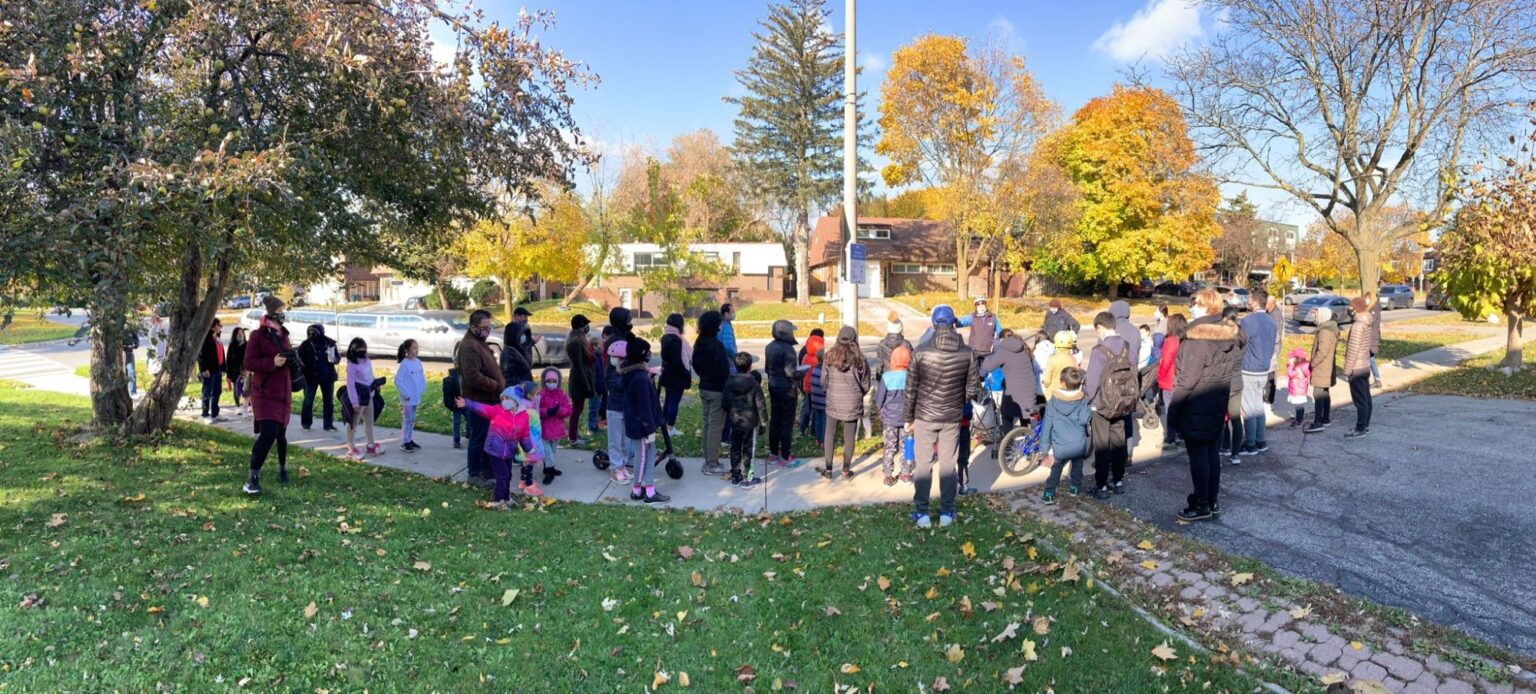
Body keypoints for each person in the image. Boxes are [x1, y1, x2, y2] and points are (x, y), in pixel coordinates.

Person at [1168, 288, 1242, 522]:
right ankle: (1211, 500)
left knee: (1200, 456)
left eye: (1195, 304)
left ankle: (1202, 504)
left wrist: (1173, 410)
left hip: (1197, 404)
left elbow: (1187, 379)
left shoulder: (1198, 337)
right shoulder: (1226, 333)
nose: (1192, 308)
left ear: (1206, 307)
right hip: (1216, 402)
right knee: (1211, 454)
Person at [905, 305, 979, 528]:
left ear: (933, 323)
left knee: (923, 464)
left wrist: (908, 418)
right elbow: (972, 389)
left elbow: (911, 389)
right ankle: (947, 511)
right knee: (948, 464)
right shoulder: (967, 353)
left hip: (925, 416)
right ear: (953, 322)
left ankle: (922, 513)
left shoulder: (920, 351)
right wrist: (957, 400)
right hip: (951, 416)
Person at [242, 296, 294, 495]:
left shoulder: (283, 335)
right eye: (280, 311)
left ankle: (282, 469)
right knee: (268, 434)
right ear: (271, 313)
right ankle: (252, 478)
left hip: (283, 392)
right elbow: (249, 362)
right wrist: (272, 362)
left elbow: (286, 358)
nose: (283, 314)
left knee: (281, 434)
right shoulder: (258, 335)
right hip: (264, 393)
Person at [456, 386, 543, 505]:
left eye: (507, 398)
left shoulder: (523, 417)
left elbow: (525, 436)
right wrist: (467, 403)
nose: (504, 401)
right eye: (503, 398)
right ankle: (497, 501)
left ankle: (506, 498)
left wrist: (529, 449)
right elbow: (481, 408)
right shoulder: (497, 411)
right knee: (502, 476)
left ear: (516, 401)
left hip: (509, 452)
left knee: (508, 475)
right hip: (495, 451)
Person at [1083, 311, 1135, 499]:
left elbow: (1092, 382)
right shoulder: (1127, 347)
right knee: (1119, 444)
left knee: (1102, 446)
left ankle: (1102, 486)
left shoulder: (1099, 351)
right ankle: (1118, 481)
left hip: (1102, 405)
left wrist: (1087, 399)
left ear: (1100, 327)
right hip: (1123, 403)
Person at [456, 309, 505, 490]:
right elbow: (472, 376)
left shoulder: (479, 342)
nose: (488, 330)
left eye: (489, 327)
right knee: (479, 437)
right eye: (484, 328)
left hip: (489, 400)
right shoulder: (469, 346)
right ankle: (474, 473)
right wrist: (495, 385)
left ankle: (487, 469)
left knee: (488, 437)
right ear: (473, 327)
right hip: (479, 400)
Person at [621, 335, 669, 504]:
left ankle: (649, 488)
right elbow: (644, 406)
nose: (649, 354)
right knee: (642, 456)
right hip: (641, 426)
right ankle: (639, 490)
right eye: (647, 351)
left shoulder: (633, 373)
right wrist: (649, 429)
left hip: (640, 424)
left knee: (650, 452)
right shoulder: (640, 378)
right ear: (642, 354)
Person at [820, 326, 870, 480]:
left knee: (829, 434)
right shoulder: (860, 360)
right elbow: (866, 384)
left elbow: (823, 382)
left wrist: (829, 392)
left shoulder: (829, 357)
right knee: (849, 437)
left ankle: (828, 470)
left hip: (833, 401)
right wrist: (858, 394)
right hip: (852, 403)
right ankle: (845, 471)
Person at [1039, 367, 1092, 504]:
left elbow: (1047, 426)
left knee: (1056, 469)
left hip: (1060, 446)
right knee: (1077, 466)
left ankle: (1049, 493)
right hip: (1078, 443)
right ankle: (1074, 488)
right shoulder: (1083, 399)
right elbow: (1084, 420)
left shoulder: (1053, 401)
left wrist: (1044, 449)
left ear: (1062, 382)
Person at [691, 309, 732, 477]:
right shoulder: (716, 345)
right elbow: (724, 371)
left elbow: (695, 364)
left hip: (704, 387)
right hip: (717, 390)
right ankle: (711, 462)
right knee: (715, 426)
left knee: (707, 424)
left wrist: (705, 375)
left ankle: (709, 458)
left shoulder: (699, 343)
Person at [1238, 290, 1278, 456]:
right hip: (1263, 368)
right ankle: (1261, 441)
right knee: (1258, 407)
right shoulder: (1271, 321)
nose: (1248, 301)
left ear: (1254, 301)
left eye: (1249, 298)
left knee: (1249, 408)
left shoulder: (1248, 321)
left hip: (1249, 368)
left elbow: (1239, 343)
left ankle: (1250, 444)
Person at [981, 328, 1040, 433]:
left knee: (1006, 414)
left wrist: (987, 358)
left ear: (1002, 339)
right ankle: (1029, 437)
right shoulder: (1023, 347)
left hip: (1015, 391)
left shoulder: (1004, 351)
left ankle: (1008, 440)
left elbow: (987, 367)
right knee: (1026, 414)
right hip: (1030, 389)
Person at [722, 351, 767, 487]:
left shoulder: (730, 382)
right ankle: (748, 476)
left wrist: (731, 412)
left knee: (735, 448)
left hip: (735, 420)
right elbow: (760, 404)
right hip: (750, 422)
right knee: (748, 449)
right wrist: (763, 422)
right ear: (750, 366)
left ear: (735, 366)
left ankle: (736, 475)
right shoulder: (754, 383)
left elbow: (724, 402)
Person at [763, 319, 802, 468]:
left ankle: (773, 454)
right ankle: (785, 456)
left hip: (773, 386)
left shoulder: (769, 347)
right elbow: (791, 372)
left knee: (775, 420)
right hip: (787, 390)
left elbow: (767, 368)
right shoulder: (788, 349)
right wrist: (802, 372)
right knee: (787, 422)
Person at [875, 342, 914, 486]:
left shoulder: (887, 377)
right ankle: (906, 473)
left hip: (889, 418)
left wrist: (880, 410)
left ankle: (888, 475)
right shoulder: (911, 377)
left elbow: (879, 399)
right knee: (907, 446)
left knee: (889, 446)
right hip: (907, 419)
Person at [604, 308, 636, 481]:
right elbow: (612, 376)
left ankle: (623, 464)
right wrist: (625, 382)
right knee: (615, 438)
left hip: (627, 400)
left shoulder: (627, 339)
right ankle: (616, 467)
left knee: (625, 437)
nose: (630, 323)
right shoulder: (614, 343)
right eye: (628, 320)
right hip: (616, 400)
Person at [343, 337, 382, 460]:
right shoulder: (351, 366)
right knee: (353, 424)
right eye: (359, 348)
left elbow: (370, 375)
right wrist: (354, 403)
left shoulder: (367, 360)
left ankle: (371, 445)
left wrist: (376, 384)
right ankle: (350, 449)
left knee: (369, 422)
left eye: (364, 347)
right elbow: (350, 385)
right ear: (353, 350)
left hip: (369, 396)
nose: (362, 350)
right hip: (359, 398)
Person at [1343, 296, 1376, 439]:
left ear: (1355, 308)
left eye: (1351, 307)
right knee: (1366, 397)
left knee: (1360, 400)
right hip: (1365, 365)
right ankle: (1365, 424)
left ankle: (1361, 428)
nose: (1349, 309)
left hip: (1356, 367)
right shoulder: (1367, 322)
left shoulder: (1358, 326)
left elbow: (1353, 350)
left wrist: (1347, 370)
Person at [1304, 306, 1340, 433]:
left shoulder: (1325, 331)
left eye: (1317, 315)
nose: (1315, 317)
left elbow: (1322, 351)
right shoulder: (1328, 329)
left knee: (1318, 394)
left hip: (1322, 368)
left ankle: (1318, 422)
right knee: (1324, 393)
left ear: (1323, 317)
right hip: (1326, 367)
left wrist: (1313, 363)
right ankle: (1325, 418)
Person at [298, 324, 339, 432]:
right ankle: (306, 424)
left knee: (328, 401)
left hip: (327, 376)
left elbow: (337, 358)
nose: (312, 335)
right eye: (310, 332)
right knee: (308, 400)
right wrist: (301, 369)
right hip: (310, 377)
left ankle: (328, 424)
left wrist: (334, 358)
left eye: (314, 332)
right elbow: (299, 359)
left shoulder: (329, 343)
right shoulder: (305, 344)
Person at [563, 315, 596, 447]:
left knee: (579, 408)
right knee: (576, 409)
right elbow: (578, 366)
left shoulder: (580, 340)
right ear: (580, 327)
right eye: (585, 325)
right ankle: (572, 438)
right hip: (578, 380)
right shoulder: (575, 342)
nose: (587, 327)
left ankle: (575, 434)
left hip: (582, 378)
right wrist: (586, 384)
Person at [659, 313, 692, 438]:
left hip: (667, 374)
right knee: (674, 401)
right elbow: (679, 360)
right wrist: (685, 373)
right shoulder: (677, 339)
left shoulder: (665, 337)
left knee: (668, 400)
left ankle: (664, 425)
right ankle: (670, 427)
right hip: (677, 376)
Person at [1156, 314, 1188, 447]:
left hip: (1170, 380)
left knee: (1170, 410)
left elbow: (1165, 362)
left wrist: (1159, 377)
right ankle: (1181, 435)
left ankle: (1170, 439)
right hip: (1183, 379)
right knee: (1181, 410)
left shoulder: (1171, 341)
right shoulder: (1186, 339)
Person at [536, 367, 572, 485]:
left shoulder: (562, 395)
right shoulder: (541, 395)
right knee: (548, 453)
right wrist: (547, 411)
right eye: (549, 381)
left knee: (552, 451)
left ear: (558, 381)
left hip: (557, 429)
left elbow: (568, 410)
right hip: (544, 429)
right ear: (544, 381)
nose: (551, 383)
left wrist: (558, 410)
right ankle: (550, 473)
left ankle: (547, 468)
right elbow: (536, 410)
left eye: (554, 381)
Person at [395, 339, 427, 452]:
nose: (416, 350)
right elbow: (397, 381)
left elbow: (421, 376)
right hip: (407, 398)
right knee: (407, 419)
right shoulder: (404, 364)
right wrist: (405, 394)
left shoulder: (418, 362)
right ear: (407, 350)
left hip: (415, 396)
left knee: (412, 419)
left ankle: (409, 439)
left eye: (417, 348)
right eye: (413, 348)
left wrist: (421, 389)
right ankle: (405, 442)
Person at [500, 305, 538, 387]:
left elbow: (524, 342)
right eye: (524, 316)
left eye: (526, 317)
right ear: (516, 316)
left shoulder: (523, 327)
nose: (526, 319)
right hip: (517, 377)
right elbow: (517, 343)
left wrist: (532, 341)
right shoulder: (511, 328)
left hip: (524, 366)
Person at [797, 329, 825, 435]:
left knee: (806, 408)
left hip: (806, 386)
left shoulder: (805, 355)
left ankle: (802, 428)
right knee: (815, 410)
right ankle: (814, 430)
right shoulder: (819, 358)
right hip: (816, 387)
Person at [197, 319, 226, 424]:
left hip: (218, 369)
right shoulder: (206, 338)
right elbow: (200, 355)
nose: (221, 327)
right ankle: (205, 414)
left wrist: (223, 368)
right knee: (207, 392)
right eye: (219, 325)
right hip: (209, 370)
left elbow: (221, 353)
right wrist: (203, 369)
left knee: (217, 392)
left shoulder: (217, 338)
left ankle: (215, 413)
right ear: (213, 326)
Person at [1043, 331, 1080, 402]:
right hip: (1067, 395)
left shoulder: (1052, 359)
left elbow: (1046, 381)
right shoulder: (1073, 359)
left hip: (1052, 395)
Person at [875, 311, 913, 378]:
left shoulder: (882, 344)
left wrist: (879, 377)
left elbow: (880, 364)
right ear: (901, 329)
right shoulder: (906, 344)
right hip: (903, 378)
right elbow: (912, 363)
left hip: (887, 378)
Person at [1285, 348, 1312, 427]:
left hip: (1296, 390)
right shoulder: (1303, 366)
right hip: (1301, 390)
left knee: (1298, 406)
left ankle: (1299, 421)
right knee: (1300, 406)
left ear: (1296, 358)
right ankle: (1300, 419)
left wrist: (1290, 365)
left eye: (1291, 358)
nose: (1290, 359)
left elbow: (1290, 374)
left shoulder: (1297, 368)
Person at [224, 327, 247, 416]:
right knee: (236, 390)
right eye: (238, 333)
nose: (241, 335)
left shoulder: (247, 344)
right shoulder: (232, 345)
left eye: (242, 333)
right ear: (235, 335)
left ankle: (246, 406)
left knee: (247, 389)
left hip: (246, 371)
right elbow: (228, 360)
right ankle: (238, 406)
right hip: (235, 371)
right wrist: (228, 375)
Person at [1363, 291, 1383, 388]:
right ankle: (1376, 380)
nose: (1365, 300)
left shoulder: (1374, 309)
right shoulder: (1370, 308)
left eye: (1366, 298)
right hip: (1370, 337)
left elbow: (1371, 321)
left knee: (1369, 360)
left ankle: (1376, 380)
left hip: (1372, 338)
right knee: (1370, 360)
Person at [443, 367, 465, 449]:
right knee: (457, 421)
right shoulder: (453, 375)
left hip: (466, 401)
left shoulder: (467, 373)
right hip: (457, 402)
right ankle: (456, 441)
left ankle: (469, 433)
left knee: (469, 420)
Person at [124, 323, 141, 398]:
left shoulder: (130, 331)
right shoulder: (118, 331)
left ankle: (133, 392)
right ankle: (124, 393)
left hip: (129, 353)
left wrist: (134, 345)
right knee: (122, 373)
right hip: (121, 354)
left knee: (131, 372)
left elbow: (136, 341)